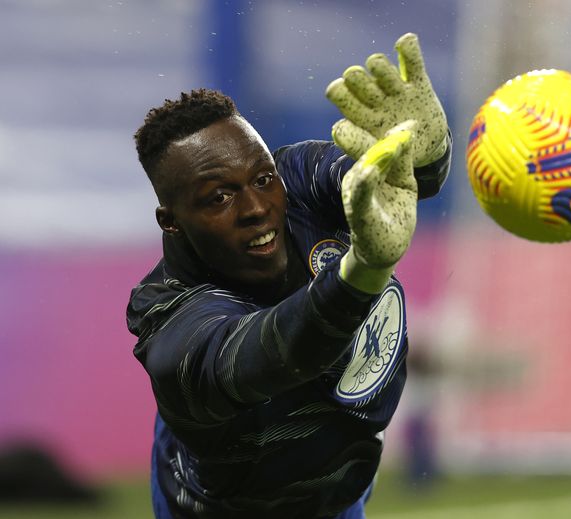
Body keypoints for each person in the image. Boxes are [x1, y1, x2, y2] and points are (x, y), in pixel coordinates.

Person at [126, 33, 451, 519]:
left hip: (338, 498)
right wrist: (362, 272)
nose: (258, 208)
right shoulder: (169, 321)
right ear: (170, 221)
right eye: (219, 197)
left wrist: (424, 154)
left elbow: (390, 181)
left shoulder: (297, 178)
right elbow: (280, 354)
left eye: (262, 179)